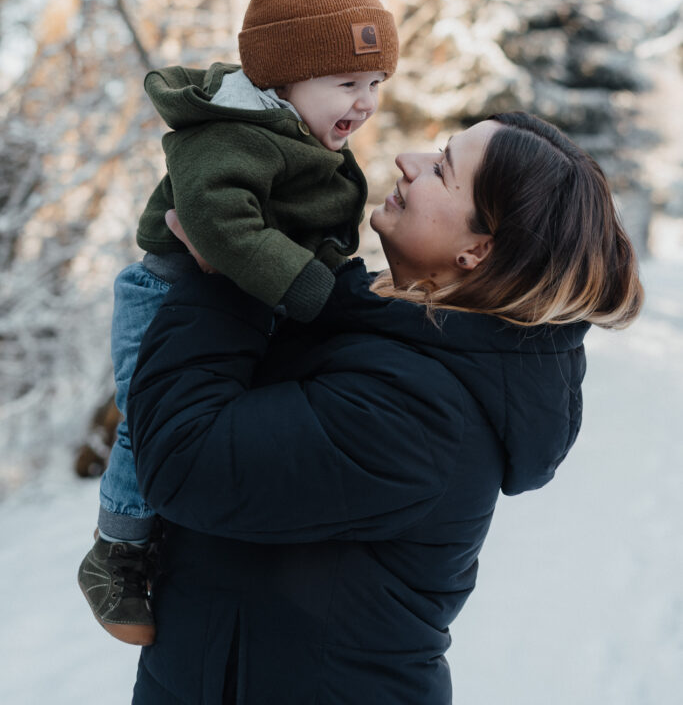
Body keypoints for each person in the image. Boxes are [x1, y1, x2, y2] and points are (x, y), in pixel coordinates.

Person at [126, 111, 643, 704]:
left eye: (442, 169)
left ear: (478, 248)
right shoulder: (378, 331)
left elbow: (185, 459)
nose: (408, 161)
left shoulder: (421, 412)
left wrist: (226, 276)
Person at [77, 0, 399, 645]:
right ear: (285, 77)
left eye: (374, 82)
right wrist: (314, 287)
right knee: (147, 416)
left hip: (238, 303)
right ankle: (116, 550)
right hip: (165, 294)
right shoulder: (229, 133)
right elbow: (218, 223)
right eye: (347, 83)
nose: (366, 103)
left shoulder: (307, 140)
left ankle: (172, 536)